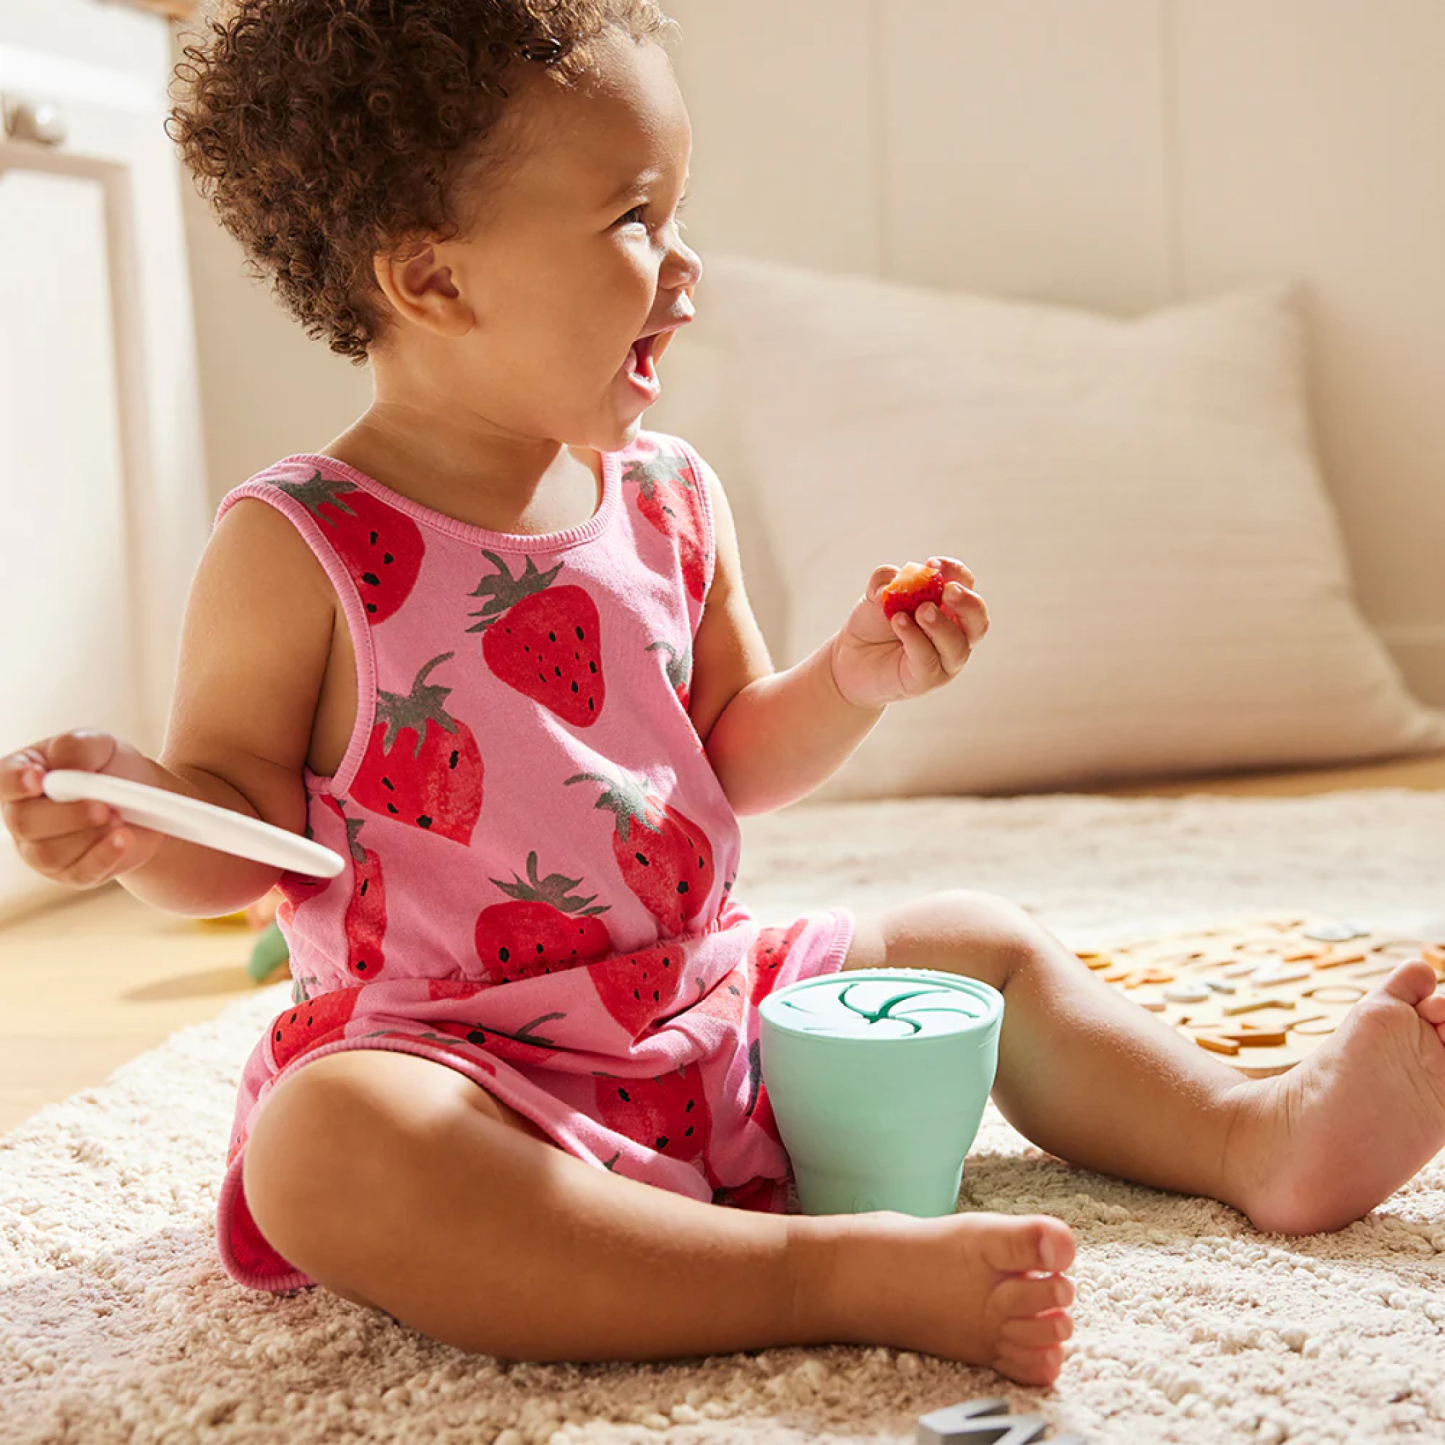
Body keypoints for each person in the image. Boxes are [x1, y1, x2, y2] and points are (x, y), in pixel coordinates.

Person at [6, 1, 1445, 1389]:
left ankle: (1255, 1133)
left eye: (676, 210)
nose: (685, 265)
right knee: (321, 1148)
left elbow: (728, 755)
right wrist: (140, 829)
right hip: (466, 1067)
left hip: (711, 1002)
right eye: (636, 219)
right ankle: (822, 1275)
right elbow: (243, 825)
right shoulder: (296, 544)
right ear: (434, 279)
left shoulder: (669, 497)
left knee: (977, 938)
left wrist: (849, 677)